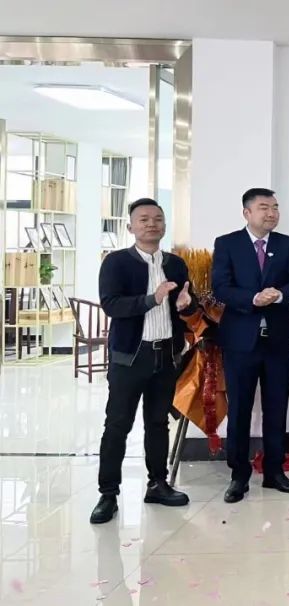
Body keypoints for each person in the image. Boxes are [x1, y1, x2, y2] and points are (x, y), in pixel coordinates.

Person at [91, 198, 194, 524]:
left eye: (158, 219)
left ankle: (157, 484)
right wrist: (153, 298)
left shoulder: (176, 264)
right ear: (131, 226)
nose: (152, 224)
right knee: (117, 424)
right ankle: (108, 494)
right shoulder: (116, 262)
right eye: (144, 219)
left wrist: (187, 305)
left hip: (166, 354)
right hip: (130, 356)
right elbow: (112, 305)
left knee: (158, 423)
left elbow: (185, 307)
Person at [211, 188, 289, 503]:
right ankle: (239, 476)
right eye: (264, 207)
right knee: (239, 409)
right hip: (240, 341)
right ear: (247, 212)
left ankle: (274, 471)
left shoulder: (287, 244)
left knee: (276, 407)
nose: (271, 213)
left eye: (275, 207)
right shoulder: (227, 244)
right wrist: (252, 298)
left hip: (278, 340)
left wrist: (279, 295)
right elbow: (220, 286)